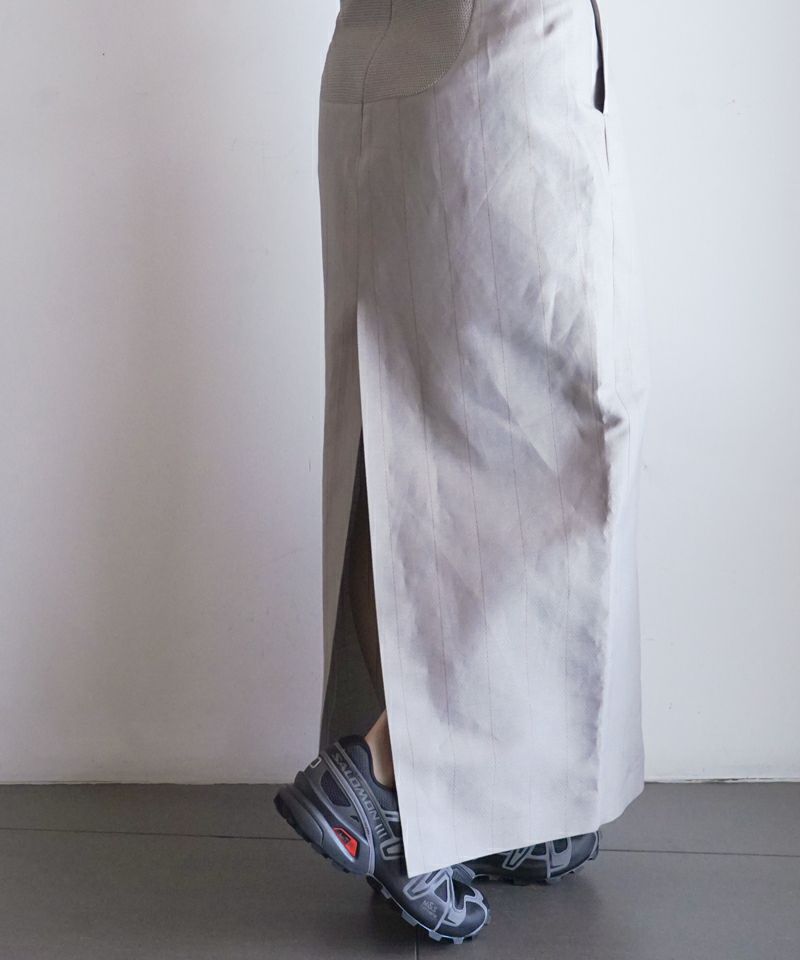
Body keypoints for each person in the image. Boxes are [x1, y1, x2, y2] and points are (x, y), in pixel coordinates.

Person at [275, 0, 650, 943]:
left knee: (403, 428)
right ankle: (397, 778)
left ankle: (477, 805)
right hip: (502, 59)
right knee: (568, 431)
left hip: (372, 66)